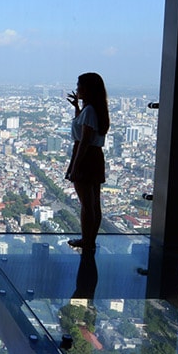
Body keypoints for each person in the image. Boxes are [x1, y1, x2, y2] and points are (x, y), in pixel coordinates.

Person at [65, 72, 110, 251]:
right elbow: (83, 126)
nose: (77, 89)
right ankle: (90, 240)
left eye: (79, 86)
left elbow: (84, 140)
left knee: (86, 205)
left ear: (87, 89)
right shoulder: (94, 109)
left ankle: (86, 240)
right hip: (94, 156)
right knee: (93, 203)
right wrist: (77, 107)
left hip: (85, 156)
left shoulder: (90, 110)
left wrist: (75, 166)